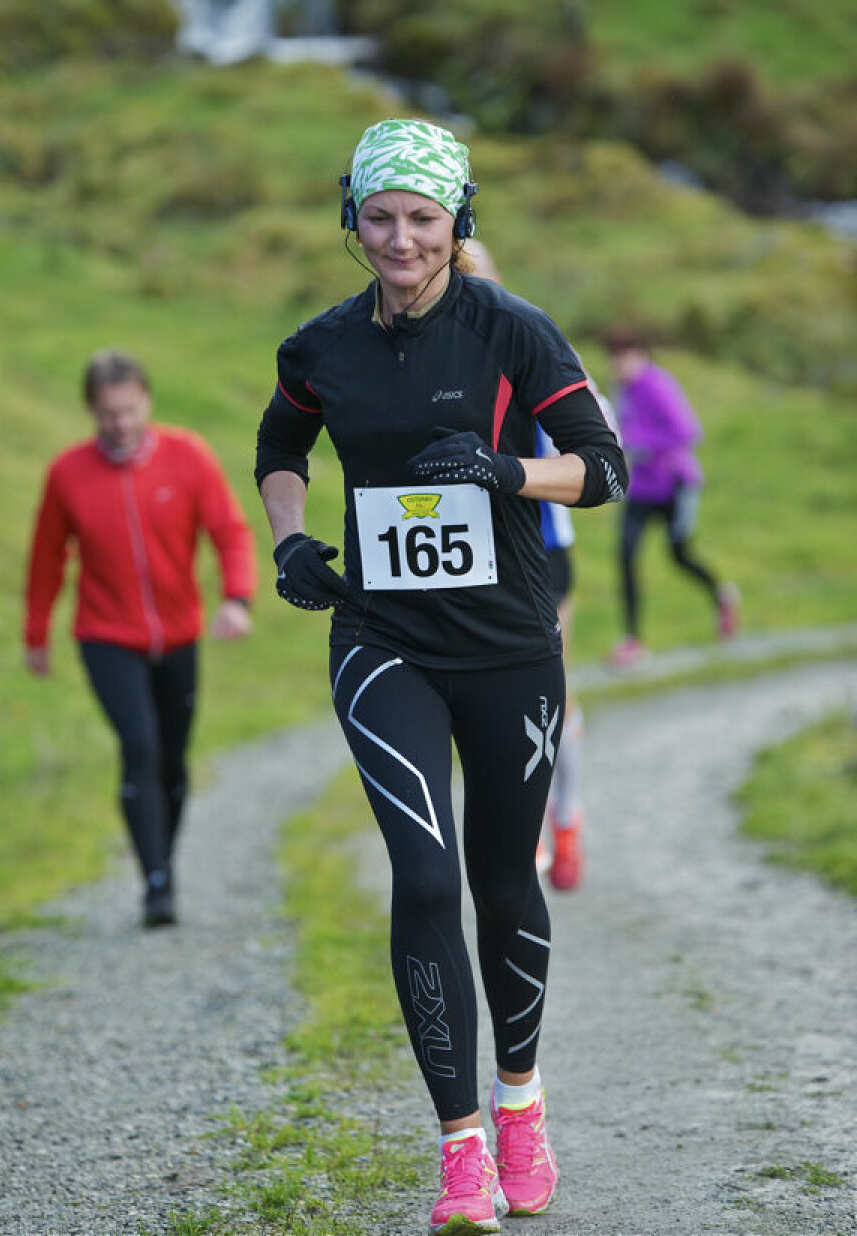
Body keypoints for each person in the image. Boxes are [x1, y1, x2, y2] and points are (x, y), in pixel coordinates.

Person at [255, 119, 628, 1231]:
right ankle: (460, 1147)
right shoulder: (322, 346)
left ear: (457, 222)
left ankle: (521, 1104)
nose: (401, 239)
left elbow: (602, 468)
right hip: (384, 643)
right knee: (423, 880)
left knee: (502, 884)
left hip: (511, 649)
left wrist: (511, 472)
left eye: (423, 218)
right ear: (352, 219)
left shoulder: (513, 331)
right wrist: (289, 542)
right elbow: (281, 448)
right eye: (380, 216)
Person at [24, 349, 257, 928]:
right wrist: (36, 633)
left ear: (146, 401)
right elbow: (46, 558)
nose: (121, 425)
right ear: (91, 411)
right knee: (141, 747)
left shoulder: (187, 456)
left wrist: (237, 598)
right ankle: (157, 881)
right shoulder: (67, 474)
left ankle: (162, 860)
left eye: (129, 411)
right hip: (106, 635)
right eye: (108, 414)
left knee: (173, 761)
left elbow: (229, 531)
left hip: (178, 636)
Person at [462, 239, 620, 892]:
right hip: (460, 559)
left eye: (476, 281)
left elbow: (599, 439)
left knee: (549, 693)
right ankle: (516, 834)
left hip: (539, 552)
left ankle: (565, 822)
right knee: (479, 702)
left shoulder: (530, 341)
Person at [604, 326, 740, 669]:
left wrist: (638, 440)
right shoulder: (624, 390)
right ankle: (632, 640)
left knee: (679, 554)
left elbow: (687, 431)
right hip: (642, 489)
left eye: (622, 360)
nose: (617, 367)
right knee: (625, 554)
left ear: (640, 355)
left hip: (676, 484)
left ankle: (722, 595)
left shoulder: (658, 384)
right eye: (613, 361)